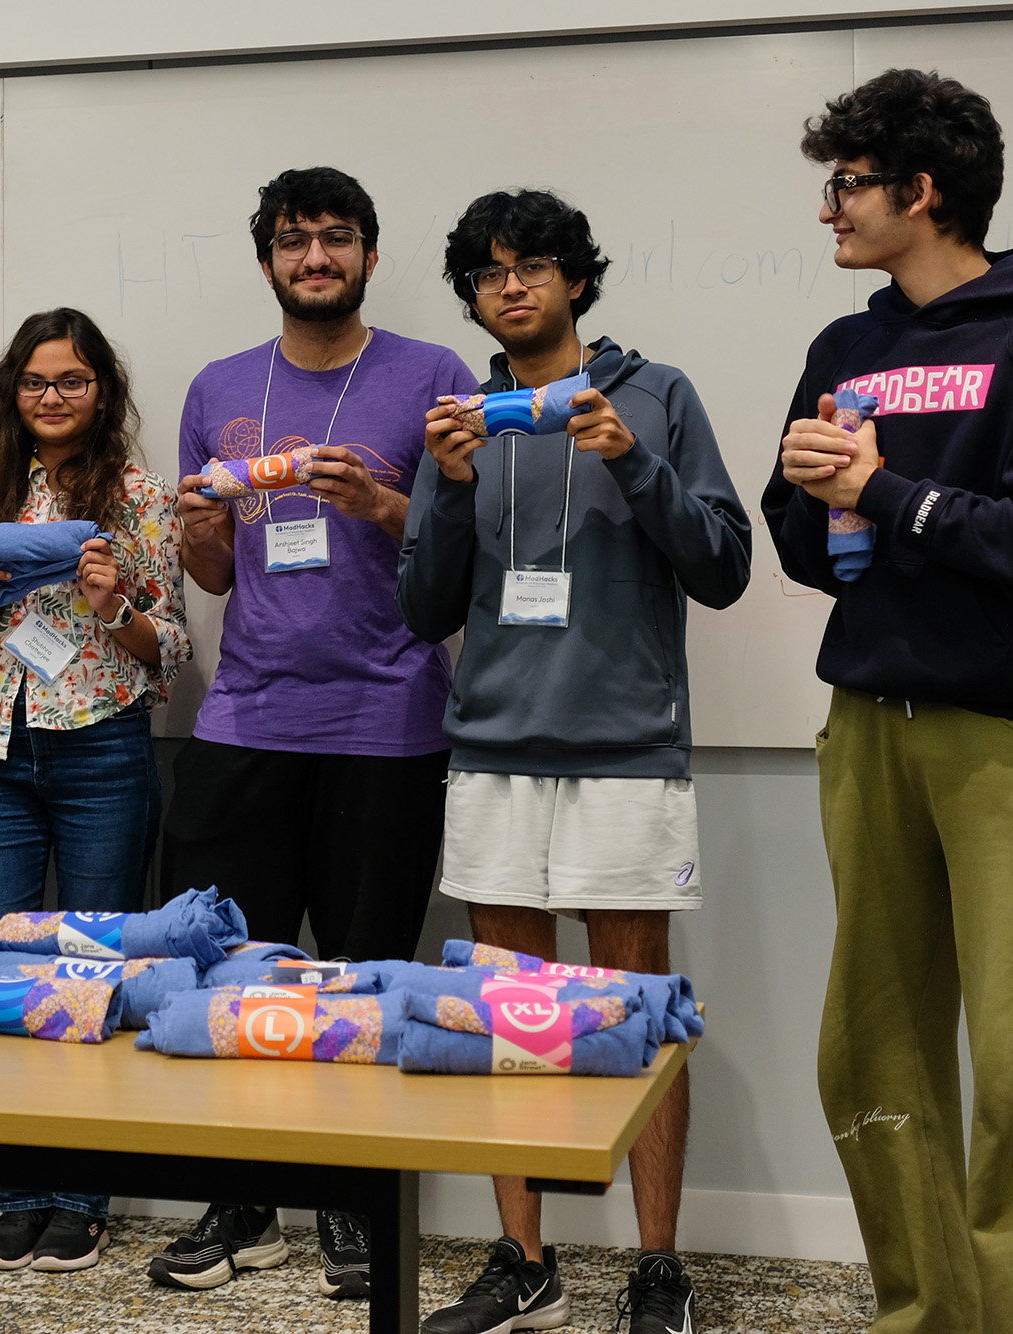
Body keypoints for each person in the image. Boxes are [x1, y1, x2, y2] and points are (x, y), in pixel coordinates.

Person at [763, 69, 1013, 1334]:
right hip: (868, 727)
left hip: (1011, 740)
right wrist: (809, 493)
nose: (829, 210)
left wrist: (883, 493)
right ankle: (923, 1313)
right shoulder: (847, 344)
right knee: (872, 1056)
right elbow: (805, 550)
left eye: (847, 184)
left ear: (919, 192)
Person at [399, 190, 751, 1334]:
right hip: (494, 738)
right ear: (470, 295)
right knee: (512, 1010)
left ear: (576, 280)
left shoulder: (654, 394)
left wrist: (633, 460)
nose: (510, 285)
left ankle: (656, 1264)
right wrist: (447, 491)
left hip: (621, 743)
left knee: (635, 1005)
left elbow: (724, 566)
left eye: (533, 264)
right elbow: (420, 606)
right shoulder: (459, 416)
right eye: (488, 272)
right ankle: (523, 1257)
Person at [151, 166, 477, 1301]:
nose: (315, 257)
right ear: (266, 262)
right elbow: (207, 571)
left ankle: (350, 1200)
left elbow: (458, 541)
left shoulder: (432, 375)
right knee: (239, 969)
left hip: (386, 715)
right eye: (294, 241)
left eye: (337, 238)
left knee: (360, 968)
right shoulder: (218, 385)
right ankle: (241, 1202)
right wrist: (197, 527)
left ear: (369, 257)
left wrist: (380, 504)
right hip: (247, 711)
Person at [0, 307, 189, 1273]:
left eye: (73, 382)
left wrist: (110, 603)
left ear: (102, 392)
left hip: (100, 750)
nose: (52, 398)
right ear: (15, 393)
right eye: (36, 383)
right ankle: (19, 1195)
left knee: (87, 974)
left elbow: (167, 648)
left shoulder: (138, 494)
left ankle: (79, 1198)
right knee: (0, 976)